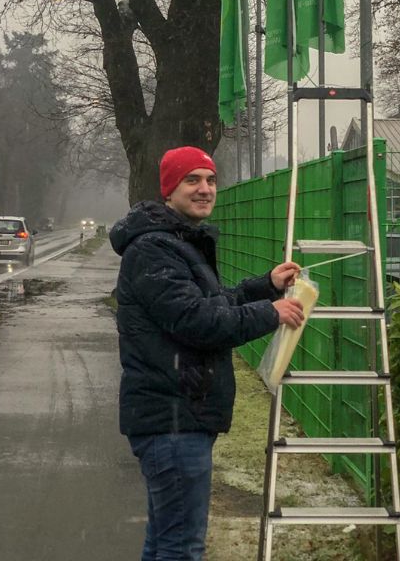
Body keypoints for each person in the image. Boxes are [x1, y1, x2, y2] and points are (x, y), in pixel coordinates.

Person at [110, 146, 304, 561]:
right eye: (192, 180)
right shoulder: (153, 250)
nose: (205, 189)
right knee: (181, 548)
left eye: (210, 180)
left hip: (180, 419)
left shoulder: (177, 243)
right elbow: (197, 321)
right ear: (169, 190)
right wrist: (269, 313)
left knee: (166, 542)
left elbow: (214, 303)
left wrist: (264, 286)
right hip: (173, 421)